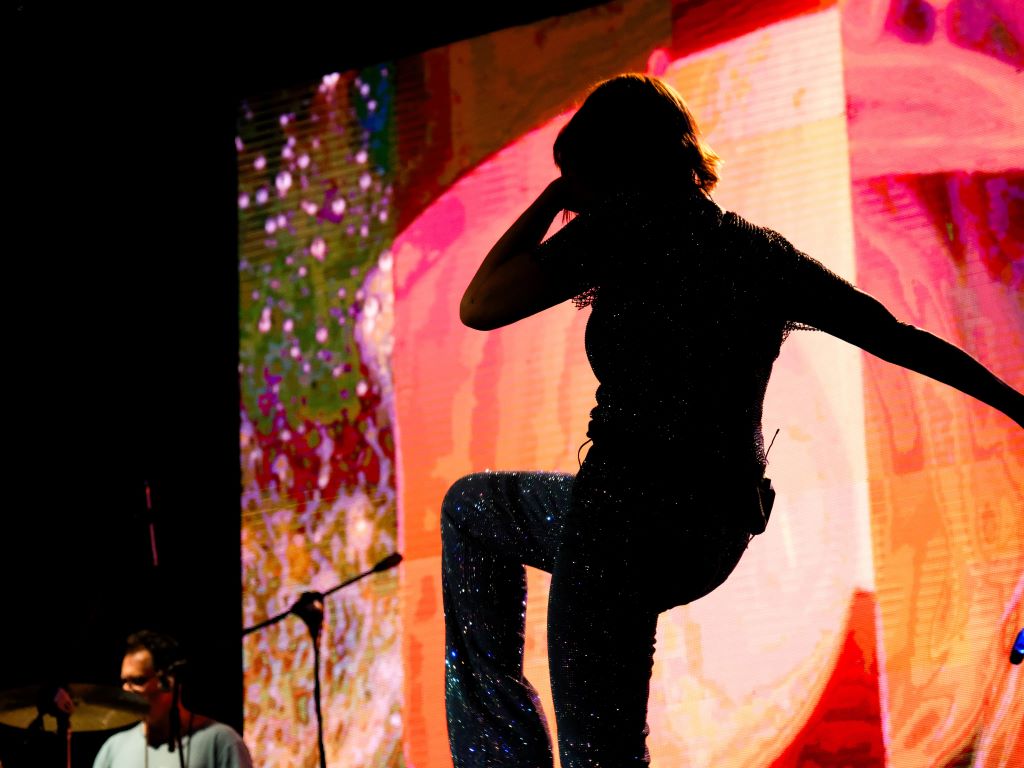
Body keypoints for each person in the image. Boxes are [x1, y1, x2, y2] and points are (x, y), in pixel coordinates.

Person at [442, 73, 1024, 768]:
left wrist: (554, 196)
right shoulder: (757, 253)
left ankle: (503, 755)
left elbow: (480, 304)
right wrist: (1018, 407)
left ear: (612, 168)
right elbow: (894, 334)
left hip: (619, 521)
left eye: (584, 177)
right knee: (472, 508)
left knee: (600, 754)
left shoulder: (623, 230)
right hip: (705, 531)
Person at [92, 629, 253, 768]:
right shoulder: (113, 749)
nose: (126, 689)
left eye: (138, 680)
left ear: (168, 681)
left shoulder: (221, 741)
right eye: (124, 682)